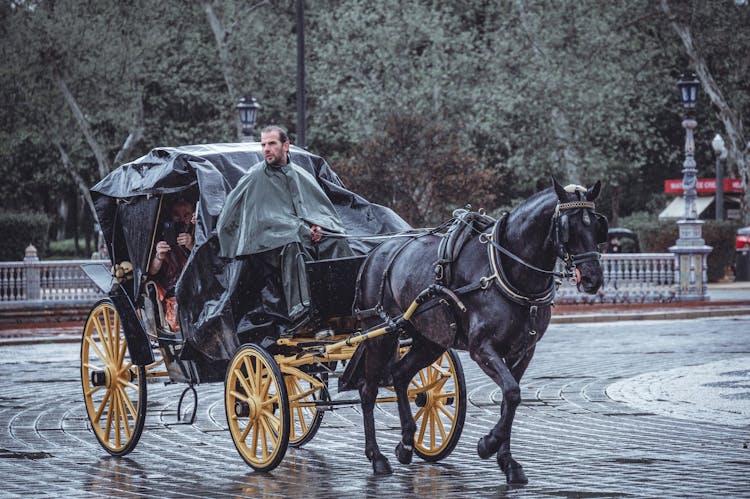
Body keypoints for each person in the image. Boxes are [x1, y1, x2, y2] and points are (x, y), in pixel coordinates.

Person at [217, 125, 352, 328]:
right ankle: (302, 311)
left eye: (271, 143)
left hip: (301, 235)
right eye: (263, 145)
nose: (266, 149)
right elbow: (261, 219)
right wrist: (301, 229)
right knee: (293, 246)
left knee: (336, 242)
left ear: (286, 146)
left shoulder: (301, 175)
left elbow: (319, 210)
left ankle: (346, 306)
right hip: (266, 246)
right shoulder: (255, 177)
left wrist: (319, 226)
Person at [148, 198, 195, 332]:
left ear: (192, 216)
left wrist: (192, 245)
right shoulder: (160, 234)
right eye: (176, 215)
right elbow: (151, 271)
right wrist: (159, 256)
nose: (181, 219)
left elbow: (209, 262)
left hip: (197, 285)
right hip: (172, 289)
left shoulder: (199, 232)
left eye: (186, 215)